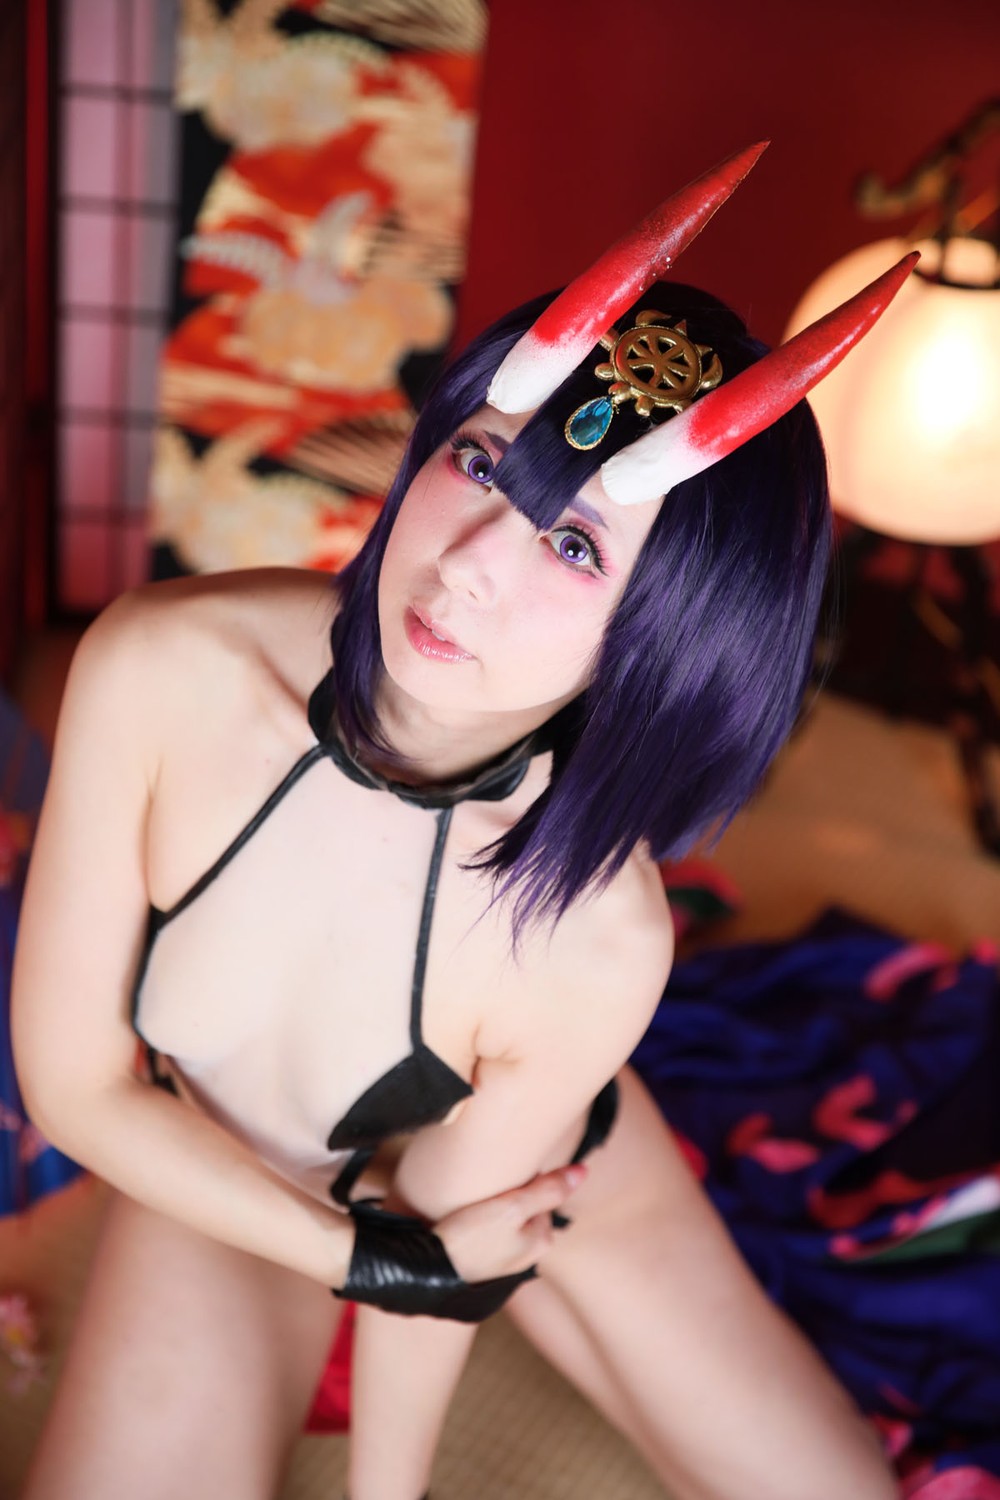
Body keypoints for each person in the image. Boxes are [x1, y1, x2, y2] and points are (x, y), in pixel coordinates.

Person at [11, 147, 908, 1500]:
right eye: (482, 461)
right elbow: (77, 1086)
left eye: (574, 546)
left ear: (660, 642)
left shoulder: (600, 939)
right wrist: (361, 1257)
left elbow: (457, 1246)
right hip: (241, 1166)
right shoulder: (161, 666)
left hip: (540, 1168)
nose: (469, 565)